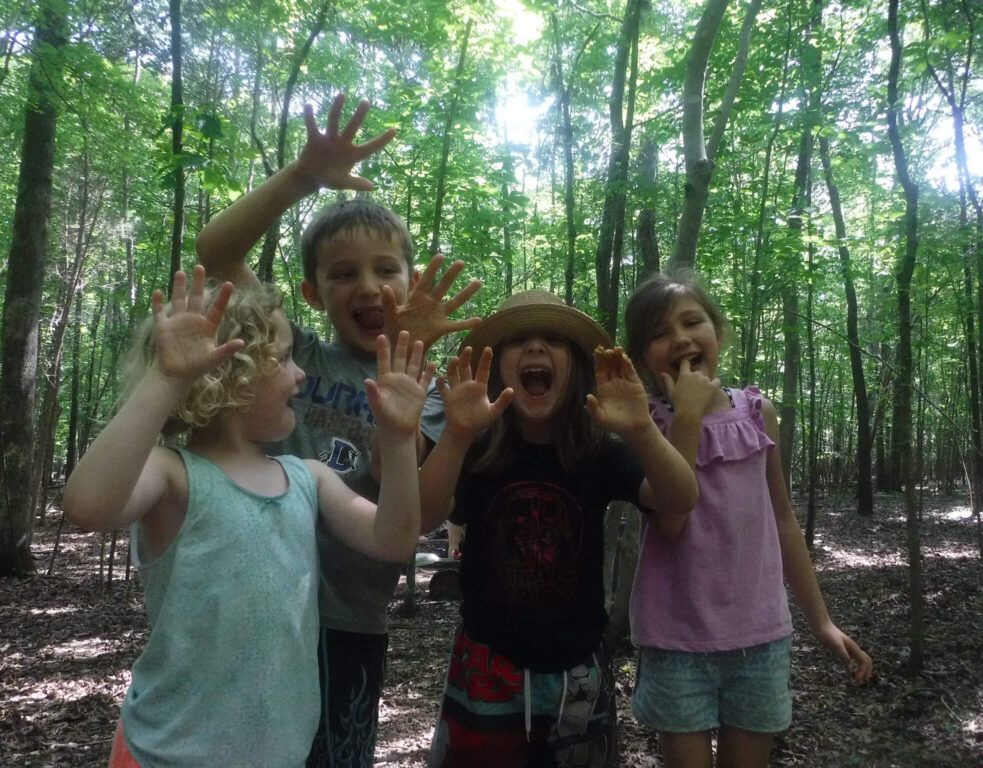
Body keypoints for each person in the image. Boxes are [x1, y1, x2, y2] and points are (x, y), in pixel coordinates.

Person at [196, 93, 480, 767]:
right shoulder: (290, 352)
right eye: (344, 274)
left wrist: (403, 421)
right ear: (316, 295)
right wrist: (301, 177)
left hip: (349, 621)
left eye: (386, 271)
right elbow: (215, 254)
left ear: (410, 287)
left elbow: (418, 514)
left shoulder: (427, 395)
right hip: (255, 609)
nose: (368, 285)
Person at [64, 266, 431, 768]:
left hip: (278, 754)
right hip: (166, 754)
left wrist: (399, 436)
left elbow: (394, 539)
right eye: (282, 360)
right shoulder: (174, 475)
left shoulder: (308, 476)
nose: (300, 373)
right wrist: (167, 378)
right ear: (228, 374)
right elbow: (87, 505)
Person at [418, 290, 701, 767]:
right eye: (519, 341)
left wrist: (640, 429)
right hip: (486, 665)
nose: (534, 349)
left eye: (551, 339)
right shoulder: (478, 452)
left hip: (579, 674)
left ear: (573, 369)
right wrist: (455, 435)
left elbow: (679, 498)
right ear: (497, 367)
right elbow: (422, 518)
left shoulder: (598, 451)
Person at [623, 270, 874, 768]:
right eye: (658, 333)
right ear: (641, 358)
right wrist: (686, 418)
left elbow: (783, 520)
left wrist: (820, 621)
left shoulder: (759, 411)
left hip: (760, 637)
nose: (679, 339)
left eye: (692, 321)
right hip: (678, 637)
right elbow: (670, 521)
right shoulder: (644, 423)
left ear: (718, 330)